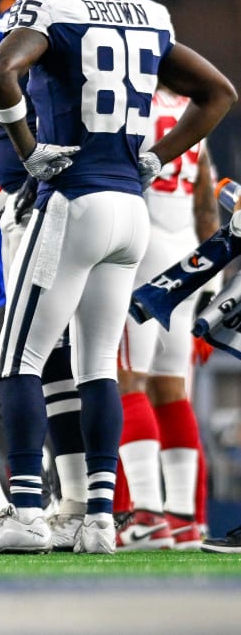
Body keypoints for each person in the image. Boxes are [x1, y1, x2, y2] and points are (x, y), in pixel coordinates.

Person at [0, 0, 236, 554]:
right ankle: (100, 514)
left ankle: (25, 511)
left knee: (20, 358)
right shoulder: (149, 16)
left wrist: (26, 144)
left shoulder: (51, 10)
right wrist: (160, 153)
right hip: (133, 210)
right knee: (99, 364)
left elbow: (0, 72)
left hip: (73, 199)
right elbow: (220, 94)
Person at [0, 0, 93, 551]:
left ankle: (40, 504)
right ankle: (82, 505)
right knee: (67, 362)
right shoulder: (45, 16)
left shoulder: (48, 18)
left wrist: (16, 169)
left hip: (49, 203)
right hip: (67, 203)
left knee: (24, 360)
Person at [116, 86, 216, 550]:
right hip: (187, 254)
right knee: (170, 385)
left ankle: (149, 513)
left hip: (142, 248)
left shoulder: (131, 102)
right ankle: (184, 518)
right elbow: (205, 201)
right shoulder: (194, 110)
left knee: (128, 379)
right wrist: (211, 283)